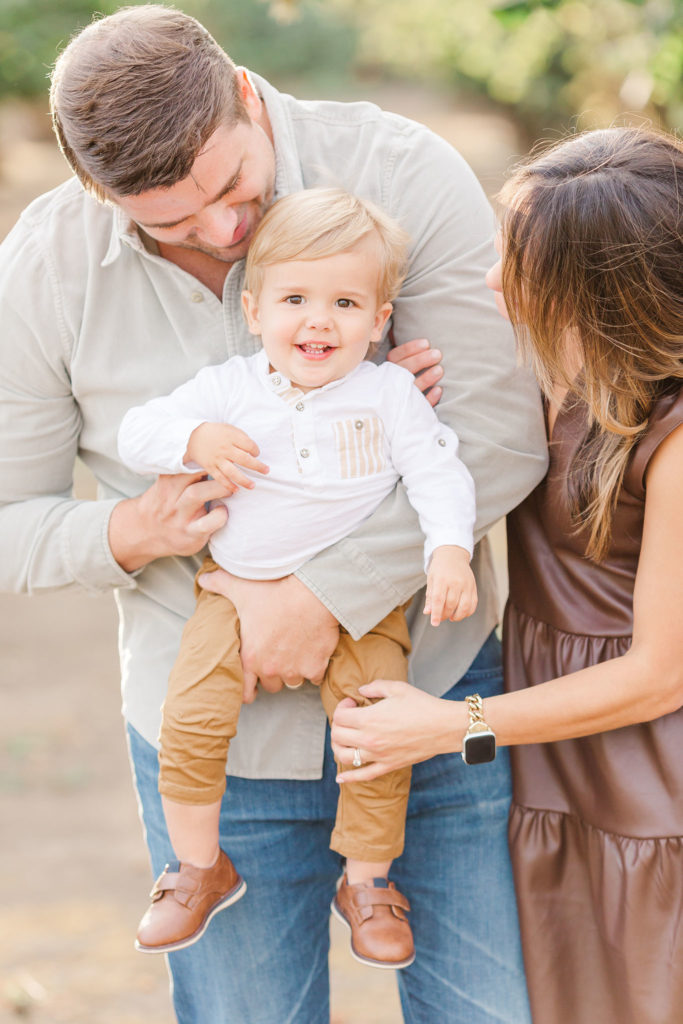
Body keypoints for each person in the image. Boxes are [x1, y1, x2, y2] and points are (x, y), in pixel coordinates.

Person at [0, 5, 547, 1022]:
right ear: (97, 192)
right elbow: (10, 514)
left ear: (245, 95)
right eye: (170, 221)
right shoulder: (46, 270)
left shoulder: (402, 173)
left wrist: (322, 597)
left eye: (230, 189)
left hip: (429, 698)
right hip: (215, 747)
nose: (221, 233)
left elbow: (502, 430)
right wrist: (126, 531)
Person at [331, 125, 683, 1024]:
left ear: (597, 287)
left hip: (652, 782)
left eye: (518, 262)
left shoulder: (675, 436)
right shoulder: (544, 375)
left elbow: (660, 674)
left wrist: (455, 726)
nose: (491, 279)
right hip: (554, 755)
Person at [118, 187, 478, 966]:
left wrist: (448, 548)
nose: (318, 320)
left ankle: (368, 881)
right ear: (253, 311)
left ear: (379, 321)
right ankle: (196, 867)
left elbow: (436, 471)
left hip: (364, 608)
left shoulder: (386, 394)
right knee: (191, 718)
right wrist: (194, 437)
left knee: (376, 734)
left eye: (345, 302)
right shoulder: (228, 388)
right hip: (232, 592)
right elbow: (135, 432)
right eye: (294, 298)